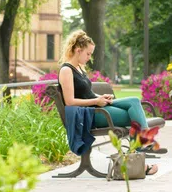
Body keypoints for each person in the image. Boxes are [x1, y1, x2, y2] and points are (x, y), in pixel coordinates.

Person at [58, 30, 158, 175]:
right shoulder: (66, 70)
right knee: (133, 115)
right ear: (78, 50)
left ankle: (140, 149)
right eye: (88, 53)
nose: (89, 57)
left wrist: (101, 97)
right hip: (91, 114)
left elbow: (86, 93)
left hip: (97, 106)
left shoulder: (79, 68)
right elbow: (69, 101)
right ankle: (139, 154)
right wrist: (96, 101)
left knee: (134, 101)